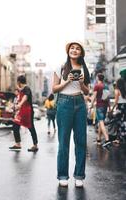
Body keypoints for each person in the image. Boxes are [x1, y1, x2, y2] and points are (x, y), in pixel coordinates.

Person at [52, 41, 90, 187]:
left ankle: (79, 175)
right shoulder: (61, 67)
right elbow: (54, 89)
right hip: (64, 103)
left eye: (77, 48)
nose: (74, 50)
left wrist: (81, 84)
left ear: (81, 53)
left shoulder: (85, 69)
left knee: (81, 141)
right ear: (68, 51)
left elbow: (87, 91)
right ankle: (63, 175)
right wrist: (67, 80)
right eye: (72, 48)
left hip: (80, 103)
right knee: (63, 142)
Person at [9, 75, 38, 152]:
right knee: (15, 125)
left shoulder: (27, 88)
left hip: (28, 112)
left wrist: (20, 104)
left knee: (31, 127)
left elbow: (25, 97)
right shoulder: (22, 90)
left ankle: (35, 145)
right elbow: (20, 94)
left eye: (17, 82)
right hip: (22, 112)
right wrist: (15, 106)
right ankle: (18, 144)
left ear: (19, 82)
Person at [91, 73, 111, 147]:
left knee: (101, 122)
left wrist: (91, 106)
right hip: (105, 106)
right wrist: (109, 108)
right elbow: (108, 97)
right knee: (100, 122)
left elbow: (94, 96)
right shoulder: (106, 86)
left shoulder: (97, 86)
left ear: (97, 78)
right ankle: (99, 139)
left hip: (99, 106)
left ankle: (107, 139)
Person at [110, 74, 126, 144]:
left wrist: (112, 109)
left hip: (120, 107)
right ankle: (123, 136)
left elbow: (116, 101)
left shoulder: (117, 90)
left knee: (118, 122)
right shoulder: (124, 90)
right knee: (124, 121)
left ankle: (119, 139)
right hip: (125, 106)